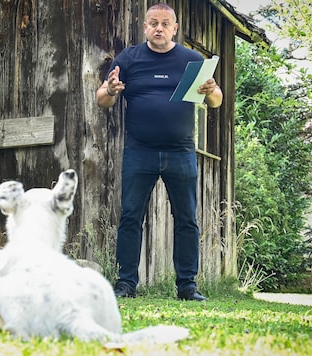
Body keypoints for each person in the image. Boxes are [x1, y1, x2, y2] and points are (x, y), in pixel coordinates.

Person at [96, 3, 223, 301]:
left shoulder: (192, 60)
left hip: (180, 152)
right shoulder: (129, 58)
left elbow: (216, 100)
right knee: (130, 216)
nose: (159, 29)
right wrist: (112, 90)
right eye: (153, 23)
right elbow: (102, 98)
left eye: (165, 24)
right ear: (145, 26)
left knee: (187, 219)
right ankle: (126, 283)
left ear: (175, 28)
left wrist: (211, 90)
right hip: (140, 151)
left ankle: (187, 286)